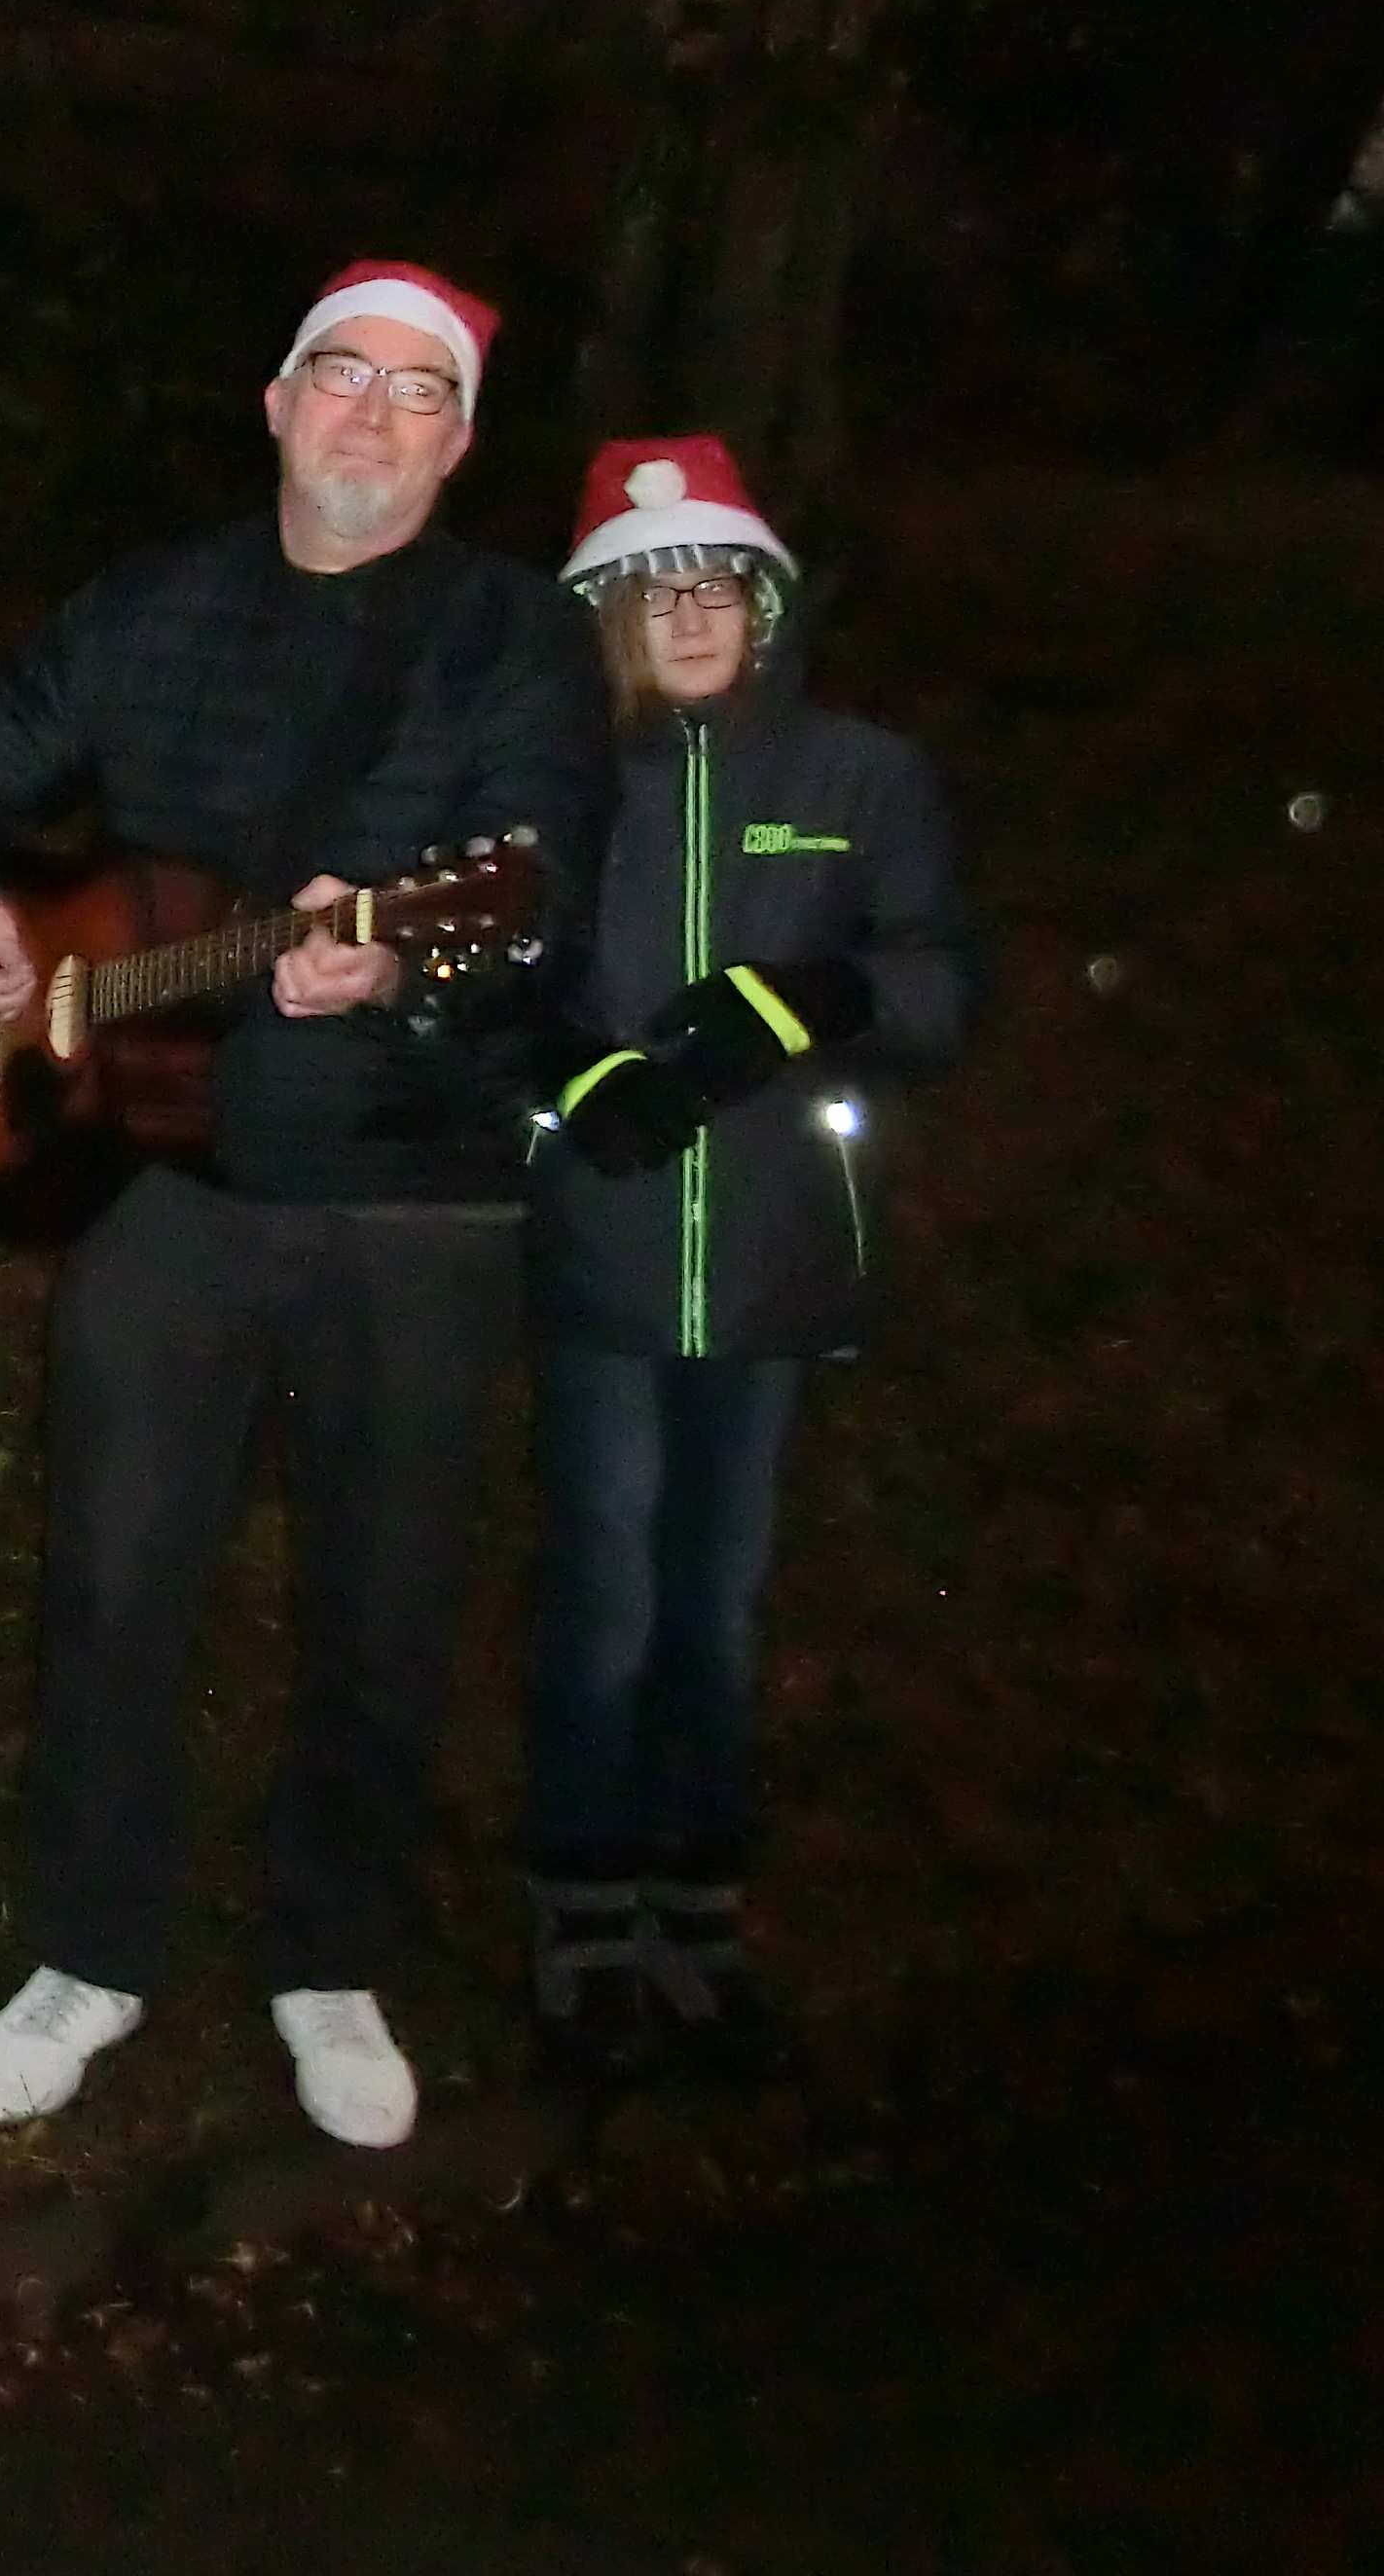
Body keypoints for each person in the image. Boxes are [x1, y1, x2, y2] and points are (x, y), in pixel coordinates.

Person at [0, 261, 606, 2149]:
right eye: (340, 376)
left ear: (458, 441)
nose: (370, 415)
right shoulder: (157, 606)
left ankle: (333, 1957)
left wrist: (405, 967)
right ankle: (88, 1948)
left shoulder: (513, 640)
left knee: (382, 1603)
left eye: (416, 392)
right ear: (277, 401)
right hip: (174, 1185)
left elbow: (538, 886)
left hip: (419, 1209)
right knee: (115, 1583)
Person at [522, 437, 971, 2082]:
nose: (689, 611)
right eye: (654, 593)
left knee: (718, 1605)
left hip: (782, 1267)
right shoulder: (566, 786)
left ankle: (696, 1910)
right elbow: (499, 986)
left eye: (718, 583)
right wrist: (582, 1079)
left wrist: (810, 999)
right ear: (610, 625)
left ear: (765, 606)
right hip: (609, 1264)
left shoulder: (860, 776)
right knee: (608, 1599)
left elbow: (936, 991)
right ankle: (579, 1914)